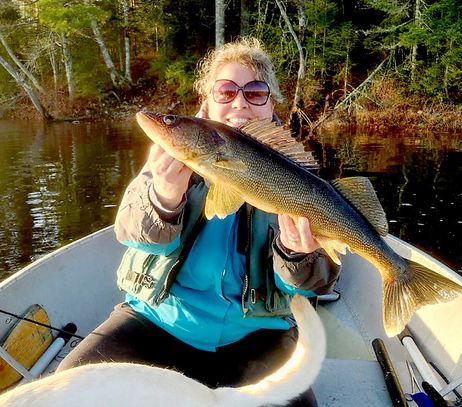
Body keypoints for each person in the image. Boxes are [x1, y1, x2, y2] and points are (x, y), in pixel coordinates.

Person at [57, 37, 340, 406]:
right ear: (206, 103)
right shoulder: (170, 158)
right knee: (68, 390)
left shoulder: (300, 177)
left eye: (255, 92)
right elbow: (131, 234)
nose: (239, 101)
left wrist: (297, 254)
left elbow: (315, 284)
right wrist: (164, 196)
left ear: (271, 104)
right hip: (156, 321)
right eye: (225, 91)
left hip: (257, 336)